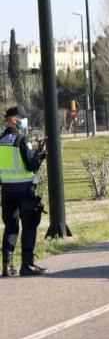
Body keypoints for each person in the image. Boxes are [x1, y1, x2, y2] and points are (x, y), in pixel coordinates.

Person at [0, 105, 46, 276]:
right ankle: (27, 264)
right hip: (25, 189)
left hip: (7, 191)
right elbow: (31, 165)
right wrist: (40, 154)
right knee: (29, 225)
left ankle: (7, 265)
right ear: (14, 120)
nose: (25, 122)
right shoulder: (21, 140)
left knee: (10, 226)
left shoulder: (0, 140)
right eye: (23, 118)